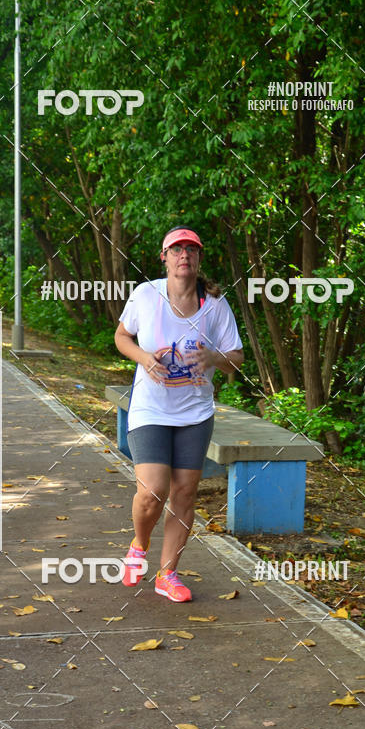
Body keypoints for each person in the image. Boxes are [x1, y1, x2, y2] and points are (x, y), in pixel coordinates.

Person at [114, 227, 244, 602]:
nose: (184, 254)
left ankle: (167, 574)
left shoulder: (215, 306)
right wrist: (144, 358)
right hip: (150, 408)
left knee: (185, 493)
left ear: (198, 258)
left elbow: (236, 359)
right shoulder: (146, 294)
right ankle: (139, 544)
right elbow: (122, 337)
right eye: (177, 249)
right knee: (153, 490)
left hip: (195, 413)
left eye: (191, 249)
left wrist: (214, 358)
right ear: (164, 257)